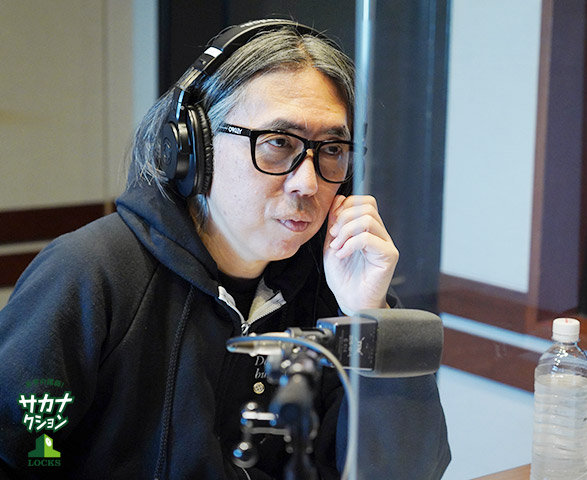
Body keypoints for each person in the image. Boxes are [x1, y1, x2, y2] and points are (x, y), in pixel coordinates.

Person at [0, 20, 450, 479]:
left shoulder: (333, 288)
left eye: (332, 148)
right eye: (278, 143)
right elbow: (23, 452)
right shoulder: (88, 274)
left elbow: (406, 473)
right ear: (194, 148)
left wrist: (370, 319)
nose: (308, 183)